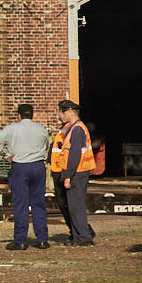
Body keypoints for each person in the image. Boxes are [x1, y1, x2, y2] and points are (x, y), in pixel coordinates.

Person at [0, 101, 52, 249]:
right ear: (32, 115)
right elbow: (46, 145)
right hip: (38, 166)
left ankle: (20, 240)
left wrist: (7, 154)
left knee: (21, 204)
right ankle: (42, 239)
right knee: (38, 203)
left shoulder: (13, 128)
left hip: (20, 166)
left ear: (19, 115)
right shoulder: (42, 129)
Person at [54, 100, 98, 246]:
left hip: (77, 173)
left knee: (75, 206)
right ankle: (77, 236)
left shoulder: (77, 129)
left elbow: (74, 155)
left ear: (69, 112)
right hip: (78, 172)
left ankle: (84, 237)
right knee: (74, 205)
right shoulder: (74, 128)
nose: (60, 115)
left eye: (62, 112)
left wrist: (67, 176)